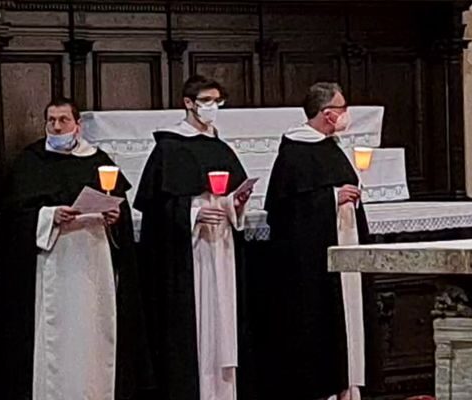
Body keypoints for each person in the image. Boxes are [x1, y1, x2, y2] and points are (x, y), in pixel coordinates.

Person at [0, 98, 153, 399]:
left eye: (63, 120)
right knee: (57, 338)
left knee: (93, 335)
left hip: (94, 263)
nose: (56, 126)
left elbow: (121, 211)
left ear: (77, 124)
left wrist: (116, 218)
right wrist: (49, 216)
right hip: (54, 262)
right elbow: (13, 218)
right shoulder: (31, 161)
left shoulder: (99, 161)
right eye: (51, 120)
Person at [135, 75, 252, 400]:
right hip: (190, 252)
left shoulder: (220, 147)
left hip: (222, 248)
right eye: (206, 100)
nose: (212, 107)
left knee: (223, 322)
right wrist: (192, 213)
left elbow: (227, 194)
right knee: (196, 327)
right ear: (188, 103)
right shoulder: (170, 147)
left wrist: (235, 203)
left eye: (217, 101)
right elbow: (157, 207)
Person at [254, 82, 367, 400]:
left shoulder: (330, 146)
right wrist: (332, 197)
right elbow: (284, 207)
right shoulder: (296, 150)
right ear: (327, 114)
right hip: (310, 261)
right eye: (342, 108)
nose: (347, 114)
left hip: (342, 245)